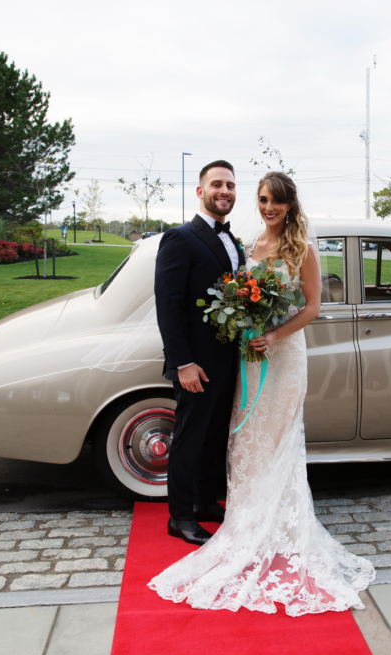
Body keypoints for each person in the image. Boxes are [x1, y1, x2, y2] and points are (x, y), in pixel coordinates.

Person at [149, 172, 376, 616]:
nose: (268, 207)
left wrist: (274, 336)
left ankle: (271, 520)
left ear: (290, 205)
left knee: (275, 438)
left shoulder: (302, 249)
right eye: (263, 199)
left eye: (276, 201)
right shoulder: (247, 245)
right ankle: (234, 515)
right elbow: (185, 300)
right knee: (244, 437)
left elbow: (313, 305)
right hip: (247, 356)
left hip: (283, 355)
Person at [154, 160, 242, 546]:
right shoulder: (180, 238)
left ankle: (207, 501)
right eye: (217, 184)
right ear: (200, 191)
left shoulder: (234, 240)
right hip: (195, 363)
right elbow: (168, 304)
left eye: (231, 186)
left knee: (215, 436)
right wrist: (183, 363)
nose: (225, 191)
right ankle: (181, 516)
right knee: (189, 438)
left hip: (228, 358)